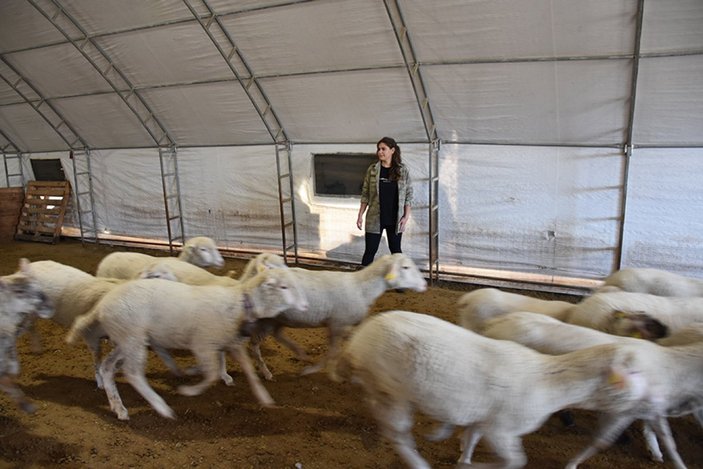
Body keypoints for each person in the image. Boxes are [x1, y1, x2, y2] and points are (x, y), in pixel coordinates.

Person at [356, 136, 414, 266]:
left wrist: (406, 216)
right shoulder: (372, 170)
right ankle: (364, 282)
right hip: (375, 218)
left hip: (395, 219)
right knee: (370, 251)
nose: (380, 152)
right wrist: (360, 214)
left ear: (392, 150)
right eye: (378, 149)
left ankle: (399, 282)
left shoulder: (402, 170)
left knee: (396, 252)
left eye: (383, 149)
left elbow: (408, 195)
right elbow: (365, 193)